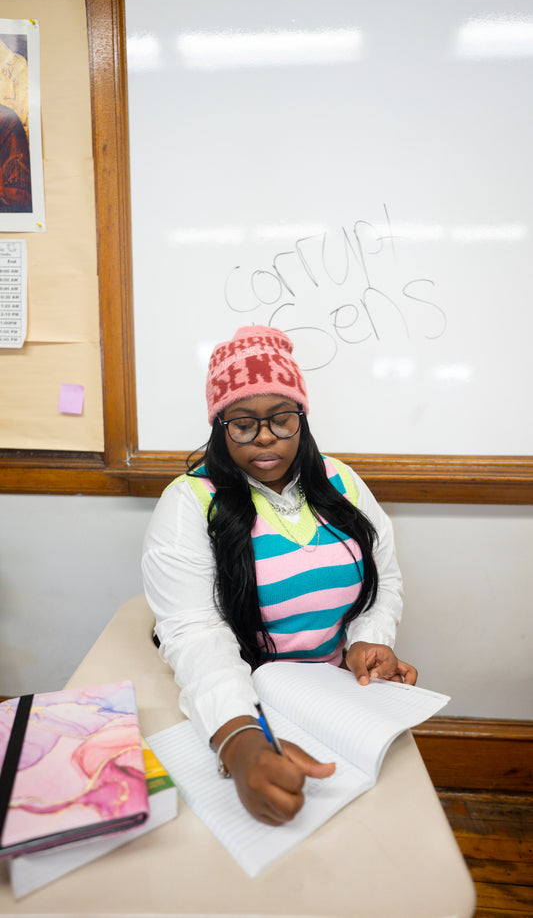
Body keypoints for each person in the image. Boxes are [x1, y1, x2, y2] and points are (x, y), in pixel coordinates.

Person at [142, 325, 417, 825]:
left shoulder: (342, 482)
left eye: (281, 419)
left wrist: (368, 639)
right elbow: (193, 630)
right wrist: (237, 737)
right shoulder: (189, 502)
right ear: (219, 427)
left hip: (338, 698)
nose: (265, 436)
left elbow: (386, 578)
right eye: (243, 423)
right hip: (242, 699)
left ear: (302, 420)